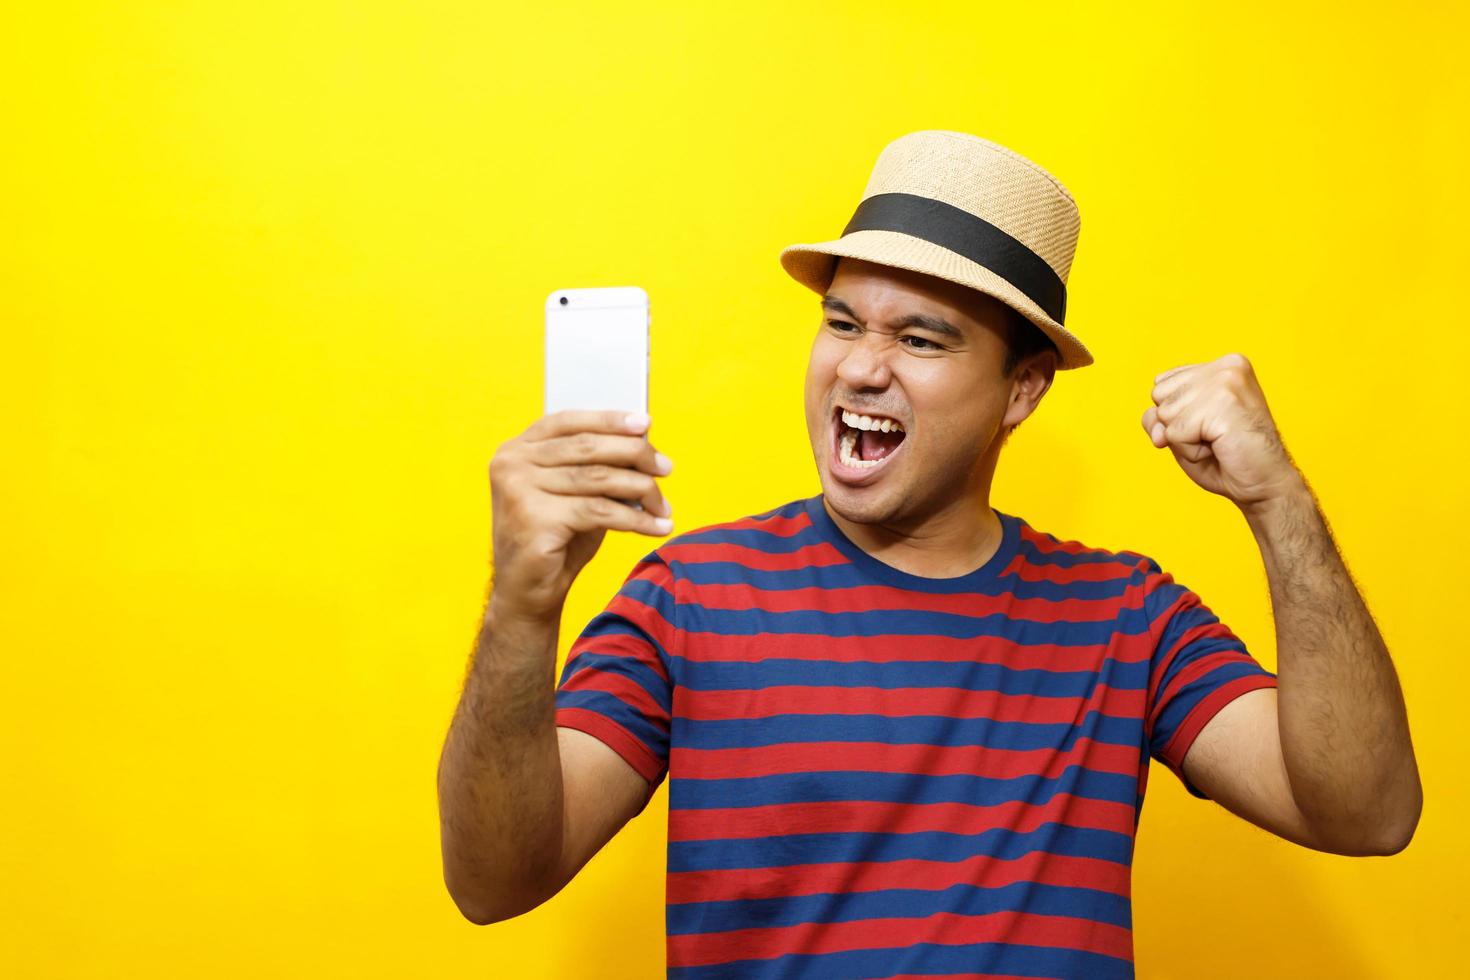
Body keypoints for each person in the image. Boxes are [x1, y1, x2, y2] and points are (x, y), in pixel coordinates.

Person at [437, 130, 1421, 978]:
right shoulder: (690, 598)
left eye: (921, 336)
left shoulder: (1128, 617)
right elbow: (492, 879)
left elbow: (1365, 813)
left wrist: (1279, 503)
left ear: (1022, 391)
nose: (861, 366)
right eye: (841, 321)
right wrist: (520, 612)